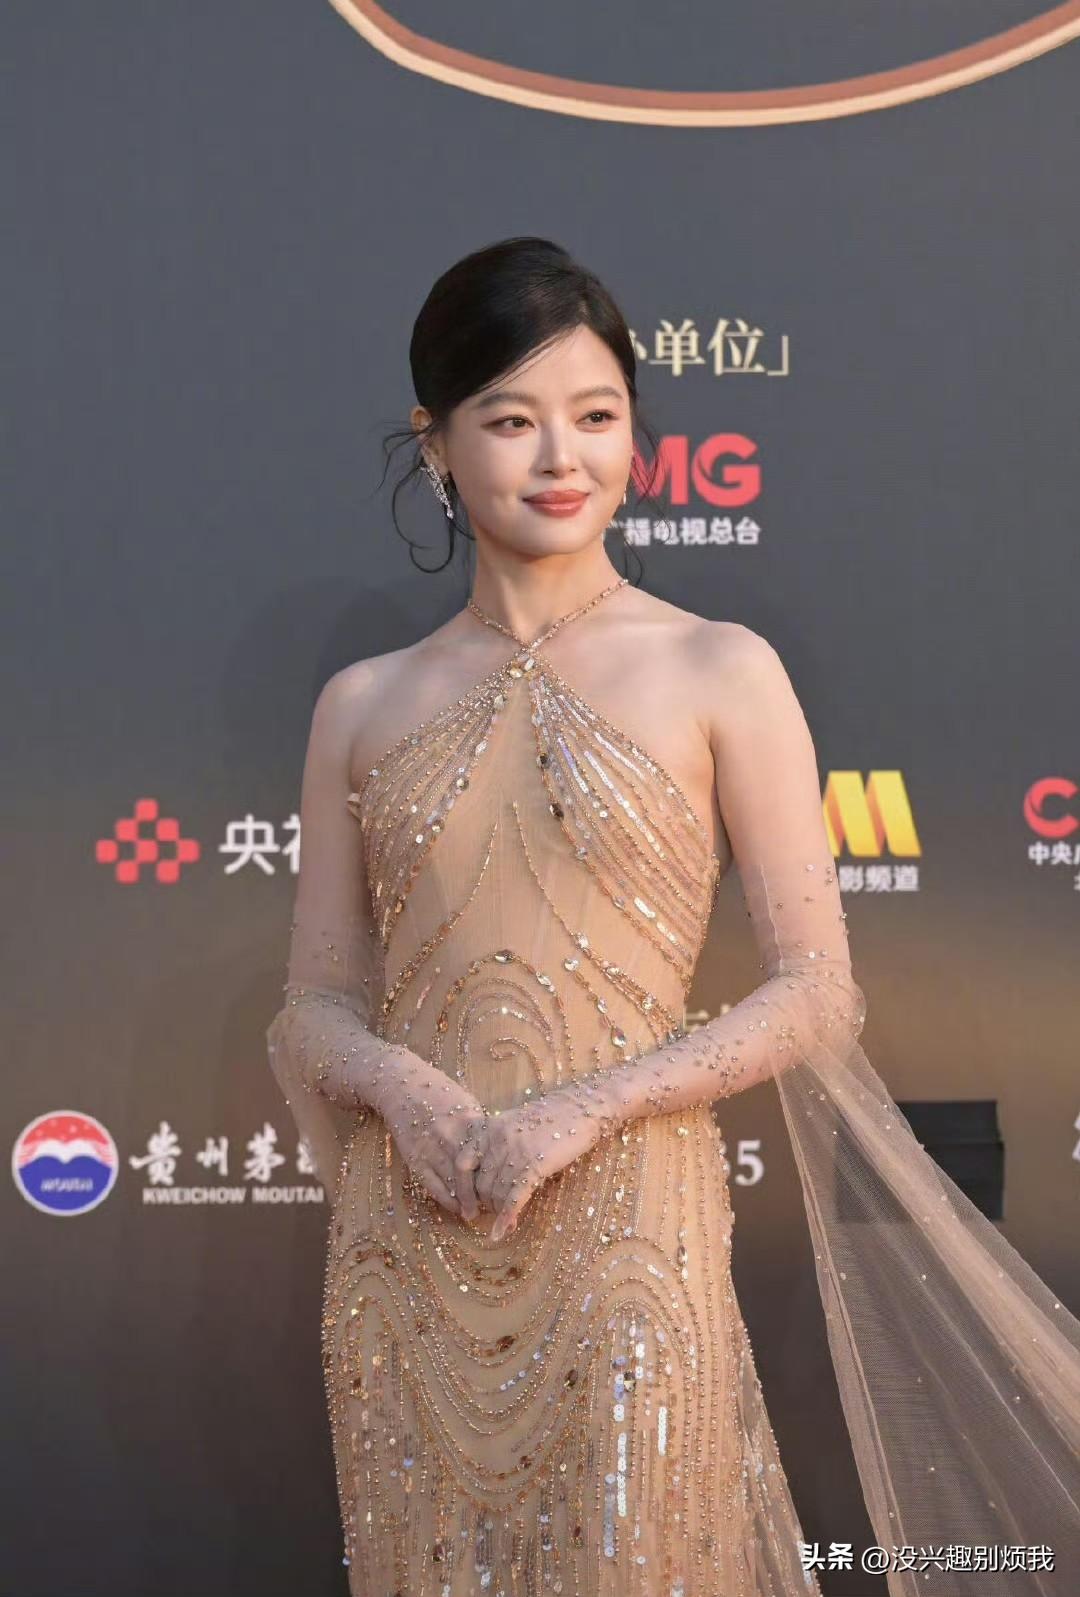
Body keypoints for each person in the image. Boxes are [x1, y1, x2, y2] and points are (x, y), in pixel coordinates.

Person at [266, 238, 1080, 1596]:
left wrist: (587, 1110)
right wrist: (402, 1089)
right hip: (411, 1239)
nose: (561, 458)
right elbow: (314, 1007)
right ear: (435, 442)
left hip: (631, 1227)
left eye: (596, 416)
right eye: (511, 421)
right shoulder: (361, 704)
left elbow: (818, 987)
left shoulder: (719, 669)